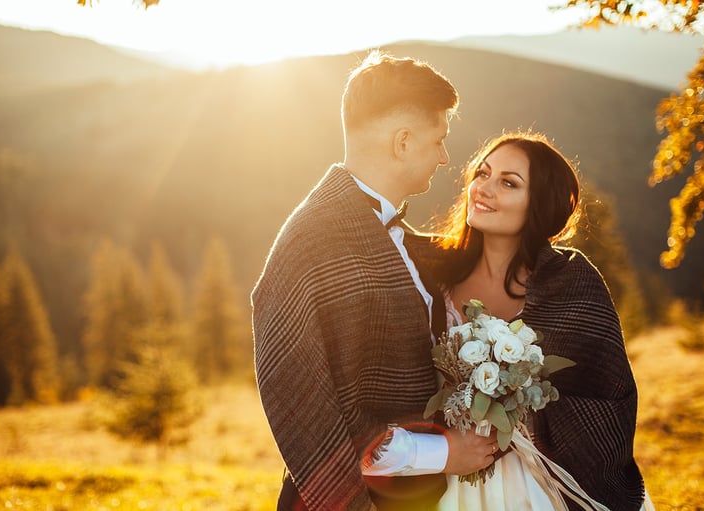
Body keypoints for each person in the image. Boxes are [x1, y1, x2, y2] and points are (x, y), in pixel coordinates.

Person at [251, 51, 498, 511]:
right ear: (403, 142)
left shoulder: (394, 234)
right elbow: (305, 415)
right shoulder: (310, 243)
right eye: (439, 140)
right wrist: (445, 452)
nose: (445, 157)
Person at [413, 130, 653, 510]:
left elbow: (609, 394)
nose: (484, 188)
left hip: (540, 479)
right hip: (447, 468)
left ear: (538, 203)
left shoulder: (571, 282)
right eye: (483, 173)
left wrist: (518, 408)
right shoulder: (428, 270)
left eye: (508, 183)